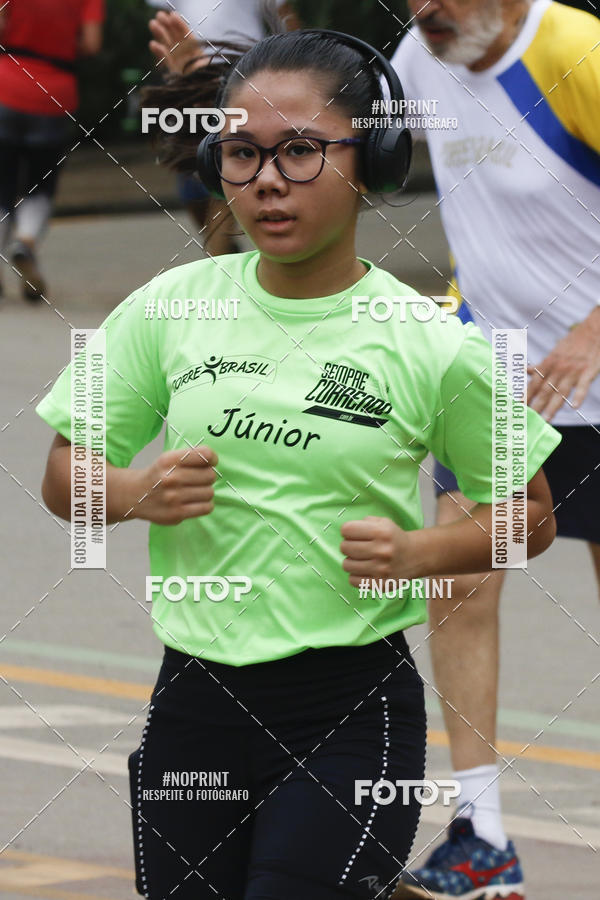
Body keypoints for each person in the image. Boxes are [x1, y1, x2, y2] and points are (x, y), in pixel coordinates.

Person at [37, 28, 560, 900]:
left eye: (302, 152)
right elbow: (63, 474)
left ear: (374, 160)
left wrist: (420, 554)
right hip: (193, 705)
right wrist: (132, 492)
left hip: (350, 712)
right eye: (242, 153)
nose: (268, 180)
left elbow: (532, 511)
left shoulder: (433, 340)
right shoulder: (171, 307)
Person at [389, 0, 600, 896]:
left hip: (593, 373)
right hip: (494, 371)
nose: (424, 8)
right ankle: (481, 841)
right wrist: (207, 91)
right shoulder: (421, 54)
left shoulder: (575, 51)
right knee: (458, 576)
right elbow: (332, 147)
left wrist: (595, 328)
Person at [146, 1, 300, 256]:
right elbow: (163, 19)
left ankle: (221, 262)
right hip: (189, 76)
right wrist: (169, 69)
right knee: (191, 173)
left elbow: (283, 14)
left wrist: (298, 65)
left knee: (230, 165)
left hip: (245, 69)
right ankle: (226, 252)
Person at [0, 0, 104, 301]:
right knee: (40, 185)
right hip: (54, 93)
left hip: (6, 85)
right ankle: (26, 242)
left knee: (2, 185)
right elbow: (92, 43)